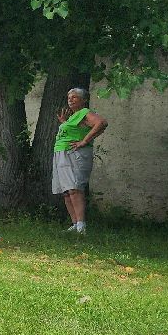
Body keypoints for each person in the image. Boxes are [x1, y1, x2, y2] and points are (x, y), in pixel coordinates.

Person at [52, 87, 107, 233]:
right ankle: (75, 224)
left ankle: (82, 225)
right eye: (69, 97)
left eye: (74, 97)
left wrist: (84, 141)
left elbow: (101, 123)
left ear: (83, 100)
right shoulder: (73, 116)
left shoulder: (84, 113)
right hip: (62, 153)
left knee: (75, 188)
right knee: (66, 191)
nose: (70, 99)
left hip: (74, 154)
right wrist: (64, 123)